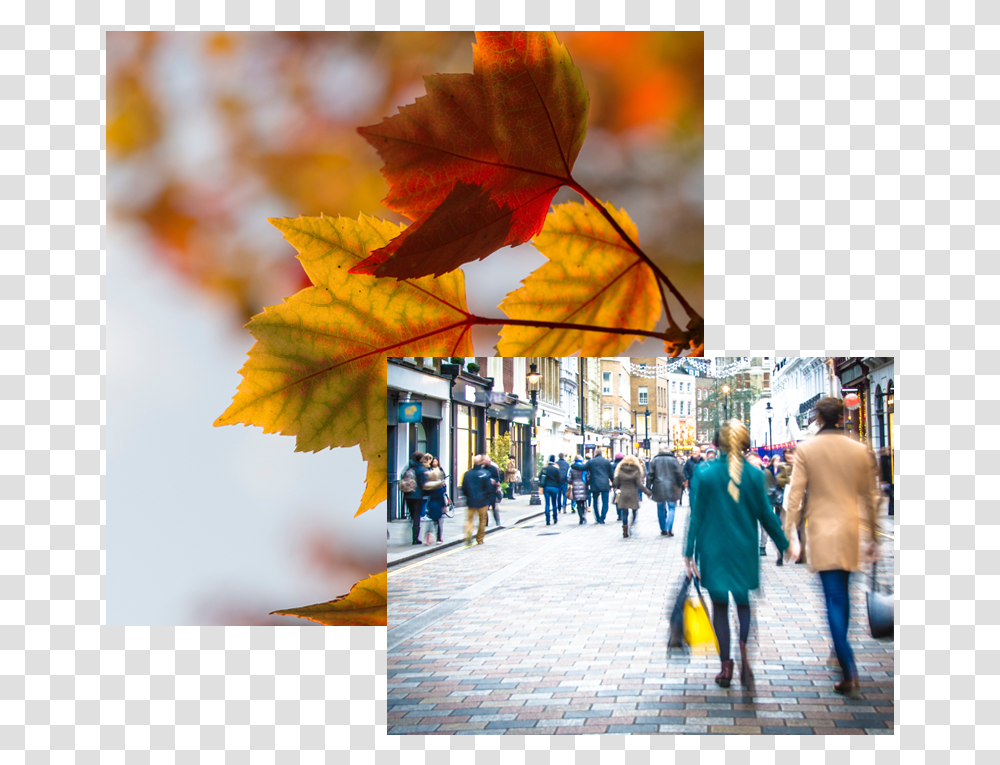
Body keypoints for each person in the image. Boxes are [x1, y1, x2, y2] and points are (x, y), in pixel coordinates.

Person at [784, 397, 881, 697]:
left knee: (833, 598)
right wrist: (875, 536)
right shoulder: (858, 449)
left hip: (823, 530)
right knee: (844, 596)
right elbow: (871, 496)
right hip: (850, 529)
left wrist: (792, 535)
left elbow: (795, 496)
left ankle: (846, 663)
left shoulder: (807, 449)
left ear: (817, 418)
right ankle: (840, 652)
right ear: (841, 416)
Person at [684, 420, 789, 689]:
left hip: (713, 549)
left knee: (720, 607)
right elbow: (766, 514)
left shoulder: (705, 475)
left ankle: (725, 666)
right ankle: (743, 647)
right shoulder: (754, 475)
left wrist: (689, 553)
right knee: (743, 604)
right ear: (744, 445)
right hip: (744, 548)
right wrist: (784, 544)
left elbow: (697, 516)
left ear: (716, 445)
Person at [647, 445, 684, 537]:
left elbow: (650, 475)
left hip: (658, 487)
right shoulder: (674, 460)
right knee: (672, 508)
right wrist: (680, 485)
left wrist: (648, 487)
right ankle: (669, 528)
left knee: (660, 508)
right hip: (672, 486)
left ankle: (663, 528)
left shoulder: (655, 460)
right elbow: (679, 474)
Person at [614, 454, 650, 538]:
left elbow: (616, 482)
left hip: (623, 492)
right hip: (633, 493)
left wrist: (615, 485)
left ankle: (625, 529)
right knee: (634, 510)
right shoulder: (636, 469)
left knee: (624, 512)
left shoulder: (620, 469)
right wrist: (648, 492)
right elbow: (639, 484)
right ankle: (631, 524)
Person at [461, 455, 494, 546]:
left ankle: (468, 535)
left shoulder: (467, 474)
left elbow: (464, 488)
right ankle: (479, 538)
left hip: (470, 501)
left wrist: (468, 496)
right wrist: (488, 497)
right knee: (482, 520)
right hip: (482, 501)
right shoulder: (486, 473)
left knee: (469, 520)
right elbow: (489, 488)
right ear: (481, 462)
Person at [401, 451, 429, 546]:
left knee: (412, 515)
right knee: (417, 517)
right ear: (421, 459)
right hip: (417, 496)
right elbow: (424, 483)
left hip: (408, 495)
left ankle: (410, 530)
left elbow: (402, 477)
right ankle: (415, 538)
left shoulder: (408, 467)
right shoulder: (422, 469)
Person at [583, 449, 613, 524]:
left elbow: (583, 468)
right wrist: (613, 484)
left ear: (595, 453)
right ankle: (602, 517)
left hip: (594, 484)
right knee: (605, 502)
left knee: (595, 501)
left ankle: (597, 517)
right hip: (605, 484)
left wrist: (574, 465)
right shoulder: (607, 462)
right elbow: (611, 474)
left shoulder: (591, 461)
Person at [422, 457, 447, 545]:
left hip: (431, 505)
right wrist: (444, 506)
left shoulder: (429, 486)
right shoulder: (439, 486)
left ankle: (428, 538)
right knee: (439, 522)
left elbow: (425, 493)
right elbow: (441, 496)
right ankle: (439, 538)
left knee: (430, 522)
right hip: (438, 505)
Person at [539, 455, 563, 525]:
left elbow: (540, 477)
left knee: (547, 504)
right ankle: (555, 518)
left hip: (546, 488)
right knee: (554, 504)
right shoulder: (556, 469)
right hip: (554, 488)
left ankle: (547, 520)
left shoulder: (544, 469)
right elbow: (559, 479)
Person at [568, 455, 589, 524]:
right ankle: (583, 515)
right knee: (583, 502)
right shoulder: (584, 468)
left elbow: (569, 479)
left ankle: (580, 517)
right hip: (584, 486)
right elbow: (588, 478)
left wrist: (572, 482)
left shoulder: (572, 468)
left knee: (578, 503)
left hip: (575, 487)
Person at [483, 455, 502, 527]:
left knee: (494, 507)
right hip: (485, 491)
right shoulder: (483, 468)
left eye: (486, 459)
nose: (485, 461)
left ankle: (497, 521)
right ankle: (485, 523)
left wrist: (494, 481)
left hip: (492, 491)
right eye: (484, 460)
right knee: (485, 508)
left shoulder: (494, 468)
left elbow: (497, 478)